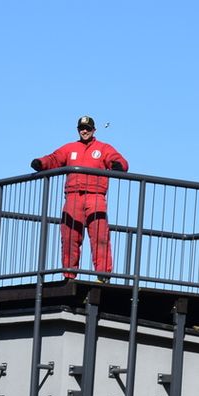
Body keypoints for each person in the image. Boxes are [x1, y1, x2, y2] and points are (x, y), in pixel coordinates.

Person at [30, 115, 128, 279]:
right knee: (69, 236)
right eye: (82, 128)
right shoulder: (70, 148)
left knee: (99, 235)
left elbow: (117, 159)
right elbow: (54, 159)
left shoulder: (103, 148)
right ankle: (69, 274)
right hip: (73, 196)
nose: (84, 131)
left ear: (94, 130)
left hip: (95, 195)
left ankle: (103, 274)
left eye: (88, 128)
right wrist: (41, 163)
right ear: (78, 130)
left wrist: (119, 165)